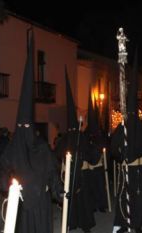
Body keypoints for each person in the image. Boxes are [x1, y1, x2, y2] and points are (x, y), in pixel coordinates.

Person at [0, 31, 63, 233]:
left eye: (28, 127)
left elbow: (53, 172)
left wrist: (60, 192)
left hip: (42, 202)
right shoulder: (12, 149)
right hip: (22, 203)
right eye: (21, 128)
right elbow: (2, 172)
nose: (24, 131)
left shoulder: (42, 148)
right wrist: (9, 185)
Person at [111, 53, 142, 233]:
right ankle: (128, 224)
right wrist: (123, 155)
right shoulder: (125, 129)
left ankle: (134, 224)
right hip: (131, 169)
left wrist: (128, 156)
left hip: (135, 170)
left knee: (135, 197)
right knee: (128, 197)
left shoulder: (132, 129)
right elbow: (114, 149)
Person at [54, 69, 95, 233]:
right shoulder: (73, 136)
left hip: (79, 173)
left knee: (80, 199)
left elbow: (88, 152)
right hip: (71, 173)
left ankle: (77, 223)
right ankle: (76, 224)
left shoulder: (76, 136)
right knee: (76, 199)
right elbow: (58, 154)